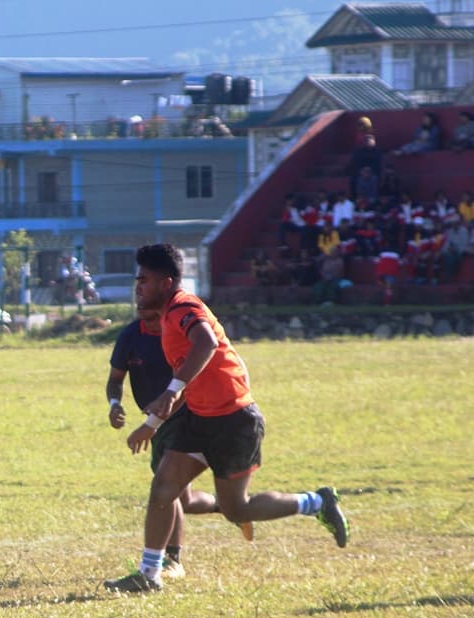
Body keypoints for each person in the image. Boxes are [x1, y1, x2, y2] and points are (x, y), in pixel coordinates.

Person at [103, 244, 350, 594]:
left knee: (238, 508)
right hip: (198, 419)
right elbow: (188, 383)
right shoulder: (165, 323)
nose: (138, 287)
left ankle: (317, 502)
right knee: (164, 487)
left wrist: (171, 390)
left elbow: (205, 343)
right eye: (137, 280)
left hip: (234, 421)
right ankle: (149, 574)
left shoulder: (184, 306)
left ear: (167, 282)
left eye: (144, 280)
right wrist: (151, 425)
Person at [106, 309, 253, 580]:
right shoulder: (129, 335)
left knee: (165, 487)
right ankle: (229, 507)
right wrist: (115, 404)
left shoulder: (179, 335)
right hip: (156, 420)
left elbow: (189, 383)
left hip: (184, 417)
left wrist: (153, 423)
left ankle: (171, 559)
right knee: (181, 497)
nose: (142, 304)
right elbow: (115, 380)